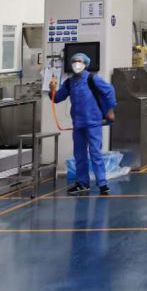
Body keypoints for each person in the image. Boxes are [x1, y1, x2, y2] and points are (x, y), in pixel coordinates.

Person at [50, 52, 117, 196]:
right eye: (74, 61)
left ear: (86, 64)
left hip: (93, 122)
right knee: (79, 154)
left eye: (79, 61)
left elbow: (109, 90)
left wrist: (110, 110)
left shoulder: (92, 79)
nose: (76, 64)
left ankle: (102, 183)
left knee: (95, 152)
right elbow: (57, 98)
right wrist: (52, 89)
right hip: (78, 123)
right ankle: (82, 183)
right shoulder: (69, 83)